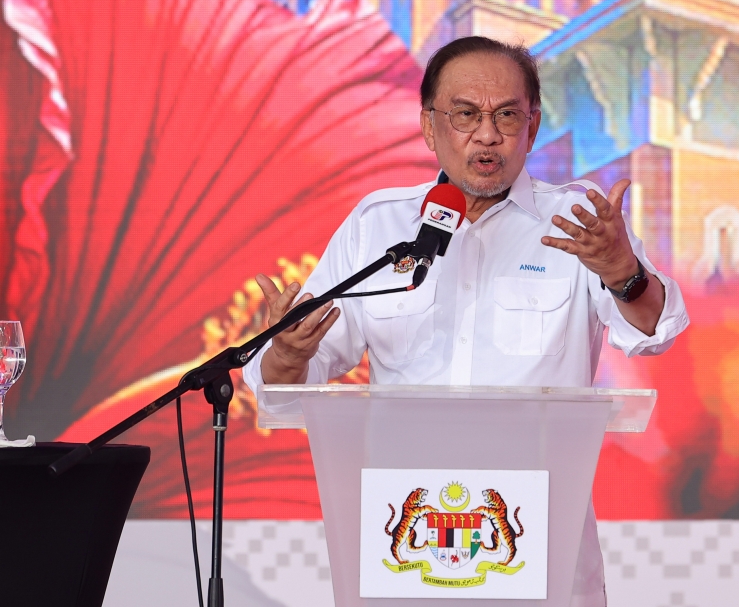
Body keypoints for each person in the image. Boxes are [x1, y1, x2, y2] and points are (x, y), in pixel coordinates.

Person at [242, 35, 689, 606]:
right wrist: (289, 350)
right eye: (465, 115)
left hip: (540, 546)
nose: (487, 134)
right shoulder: (379, 226)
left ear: (533, 125)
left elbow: (657, 331)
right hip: (405, 544)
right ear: (430, 126)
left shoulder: (579, 220)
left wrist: (624, 273)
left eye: (507, 115)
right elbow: (282, 383)